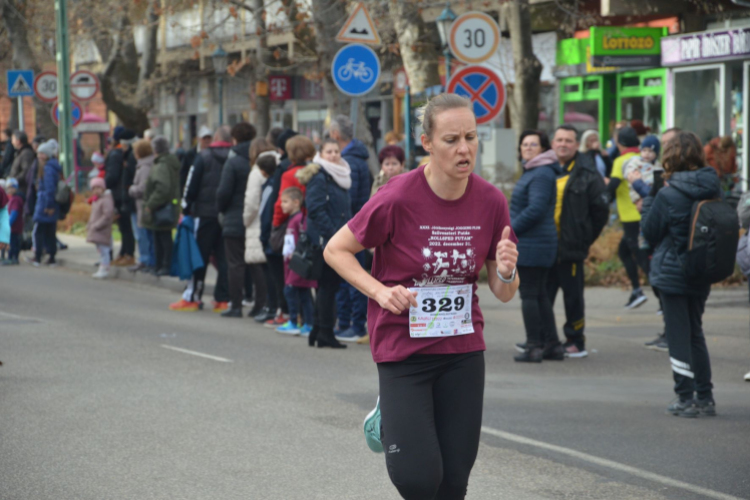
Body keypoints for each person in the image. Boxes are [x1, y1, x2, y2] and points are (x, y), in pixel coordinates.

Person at [324, 93, 519, 498]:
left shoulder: (490, 201)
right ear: (427, 143)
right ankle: (390, 413)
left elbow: (502, 292)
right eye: (451, 139)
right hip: (403, 350)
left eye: (471, 136)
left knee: (453, 481)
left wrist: (506, 270)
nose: (464, 148)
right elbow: (335, 250)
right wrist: (380, 292)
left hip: (462, 351)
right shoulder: (397, 198)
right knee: (418, 478)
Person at [641, 131, 718, 418]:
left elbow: (649, 232)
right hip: (702, 270)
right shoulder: (713, 187)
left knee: (677, 334)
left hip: (672, 272)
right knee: (695, 332)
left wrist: (650, 197)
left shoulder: (668, 192)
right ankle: (705, 396)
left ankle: (684, 397)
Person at [550, 125, 609, 358]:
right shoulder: (545, 168)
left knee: (572, 297)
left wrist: (584, 238)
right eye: (559, 139)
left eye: (568, 140)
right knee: (542, 296)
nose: (563, 144)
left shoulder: (588, 173)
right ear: (553, 143)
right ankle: (544, 338)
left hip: (571, 248)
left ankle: (576, 340)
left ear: (576, 145)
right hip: (546, 247)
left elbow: (601, 211)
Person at [295, 137, 353, 349]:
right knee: (328, 287)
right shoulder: (320, 175)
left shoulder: (342, 174)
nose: (333, 155)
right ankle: (325, 333)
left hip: (335, 239)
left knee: (327, 288)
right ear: (321, 153)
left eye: (336, 151)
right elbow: (316, 209)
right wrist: (336, 235)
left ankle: (318, 331)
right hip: (325, 242)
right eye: (329, 151)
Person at [511, 130, 563, 362]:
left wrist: (510, 231)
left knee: (529, 294)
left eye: (534, 144)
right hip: (538, 242)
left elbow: (536, 209)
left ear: (543, 148)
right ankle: (551, 344)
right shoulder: (535, 170)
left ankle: (534, 346)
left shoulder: (541, 173)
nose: (528, 148)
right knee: (540, 294)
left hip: (534, 244)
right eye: (525, 144)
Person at [171, 127, 231, 312]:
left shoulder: (203, 157)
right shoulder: (235, 157)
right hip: (227, 215)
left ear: (215, 138)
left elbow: (191, 185)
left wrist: (185, 209)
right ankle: (222, 299)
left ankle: (193, 296)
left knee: (199, 257)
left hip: (204, 214)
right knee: (224, 258)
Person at [329, 115, 372, 342]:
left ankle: (355, 325)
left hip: (351, 228)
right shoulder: (358, 158)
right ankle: (348, 323)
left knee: (352, 278)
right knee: (352, 277)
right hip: (356, 226)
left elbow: (350, 199)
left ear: (335, 135)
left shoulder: (349, 162)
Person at [643, 127, 680, 352]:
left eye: (670, 143)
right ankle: (670, 333)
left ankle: (672, 337)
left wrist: (648, 198)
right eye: (663, 143)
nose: (665, 148)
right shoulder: (704, 178)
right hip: (671, 253)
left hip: (675, 255)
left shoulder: (672, 182)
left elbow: (651, 227)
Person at [216, 122, 257, 317]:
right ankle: (259, 302)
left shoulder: (233, 162)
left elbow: (223, 192)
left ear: (234, 138)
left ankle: (236, 304)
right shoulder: (257, 158)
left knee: (235, 263)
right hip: (255, 218)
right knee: (255, 263)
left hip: (234, 217)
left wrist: (222, 210)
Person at [257, 129, 297, 324]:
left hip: (284, 229)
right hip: (301, 227)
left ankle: (287, 313)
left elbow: (278, 202)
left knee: (283, 276)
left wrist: (271, 228)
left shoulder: (284, 170)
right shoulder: (313, 168)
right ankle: (296, 315)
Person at [609, 126, 651, 309]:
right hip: (644, 213)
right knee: (625, 252)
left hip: (631, 217)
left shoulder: (620, 161)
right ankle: (637, 291)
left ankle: (663, 295)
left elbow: (612, 187)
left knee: (641, 256)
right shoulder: (642, 158)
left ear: (620, 143)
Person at [243, 139, 278, 319]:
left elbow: (252, 202)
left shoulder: (257, 171)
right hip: (274, 223)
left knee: (261, 270)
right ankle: (271, 305)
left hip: (258, 223)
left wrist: (246, 220)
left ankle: (264, 305)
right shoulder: (278, 165)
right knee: (272, 270)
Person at [276, 187, 316, 336]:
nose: (282, 205)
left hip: (298, 264)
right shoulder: (292, 219)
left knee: (291, 290)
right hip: (290, 264)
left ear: (296, 202)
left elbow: (303, 239)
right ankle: (307, 323)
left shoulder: (300, 219)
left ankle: (294, 321)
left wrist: (297, 253)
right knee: (303, 293)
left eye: (285, 201)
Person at [143, 136, 181, 276]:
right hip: (167, 206)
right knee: (161, 237)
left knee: (162, 237)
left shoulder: (161, 165)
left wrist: (150, 205)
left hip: (161, 207)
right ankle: (161, 265)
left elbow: (162, 188)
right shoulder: (168, 163)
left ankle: (163, 265)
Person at [104, 126, 137, 267]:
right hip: (121, 194)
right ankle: (124, 252)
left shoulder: (116, 154)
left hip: (120, 195)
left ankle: (127, 253)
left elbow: (113, 176)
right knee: (125, 227)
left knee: (125, 227)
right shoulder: (122, 154)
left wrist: (104, 183)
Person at [127, 139, 156, 273]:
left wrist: (132, 189)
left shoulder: (145, 167)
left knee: (143, 235)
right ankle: (147, 260)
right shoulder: (146, 164)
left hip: (143, 206)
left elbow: (143, 188)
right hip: (142, 206)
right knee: (144, 235)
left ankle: (145, 260)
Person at [32, 140, 62, 267]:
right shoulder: (52, 166)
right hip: (47, 203)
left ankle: (38, 256)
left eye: (42, 154)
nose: (39, 156)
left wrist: (48, 206)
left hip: (45, 204)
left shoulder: (48, 168)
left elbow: (50, 189)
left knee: (39, 231)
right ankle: (51, 257)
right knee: (50, 231)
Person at [86, 177, 115, 279]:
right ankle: (102, 267)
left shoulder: (106, 200)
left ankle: (104, 268)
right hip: (97, 230)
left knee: (104, 251)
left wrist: (96, 225)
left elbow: (107, 215)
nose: (96, 190)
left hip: (102, 230)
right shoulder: (97, 200)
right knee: (100, 250)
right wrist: (89, 225)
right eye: (94, 188)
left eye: (98, 188)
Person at [180, 125, 212, 193]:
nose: (207, 140)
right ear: (199, 139)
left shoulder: (214, 154)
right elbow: (183, 174)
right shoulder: (190, 154)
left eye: (208, 138)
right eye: (204, 138)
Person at [2, 178, 23, 265]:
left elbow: (14, 213)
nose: (10, 189)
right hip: (13, 226)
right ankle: (11, 257)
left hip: (14, 227)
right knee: (12, 242)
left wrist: (8, 224)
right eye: (9, 188)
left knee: (13, 243)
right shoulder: (12, 198)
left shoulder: (16, 199)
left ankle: (12, 258)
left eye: (12, 187)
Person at [8, 130, 36, 197]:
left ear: (18, 141)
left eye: (13, 140)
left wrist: (14, 181)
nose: (12, 142)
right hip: (19, 188)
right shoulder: (20, 153)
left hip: (22, 190)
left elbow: (26, 171)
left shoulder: (26, 153)